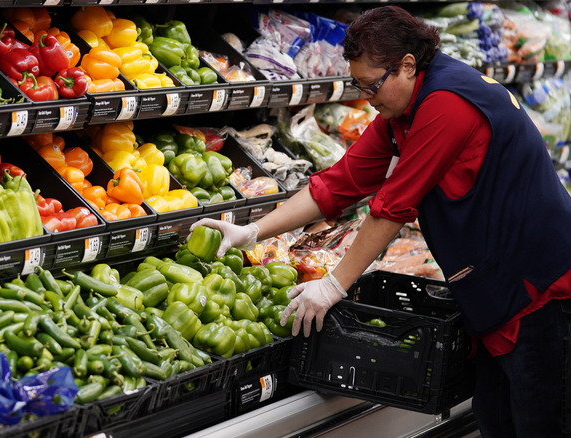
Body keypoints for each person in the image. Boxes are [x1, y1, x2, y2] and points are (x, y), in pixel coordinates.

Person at [191, 5, 571, 438]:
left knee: (541, 424)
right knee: (498, 421)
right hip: (496, 289)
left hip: (538, 291)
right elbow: (340, 181)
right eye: (359, 85)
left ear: (407, 65)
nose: (366, 97)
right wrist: (254, 230)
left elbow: (392, 206)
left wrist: (334, 285)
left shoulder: (447, 105)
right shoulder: (405, 106)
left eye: (371, 86)